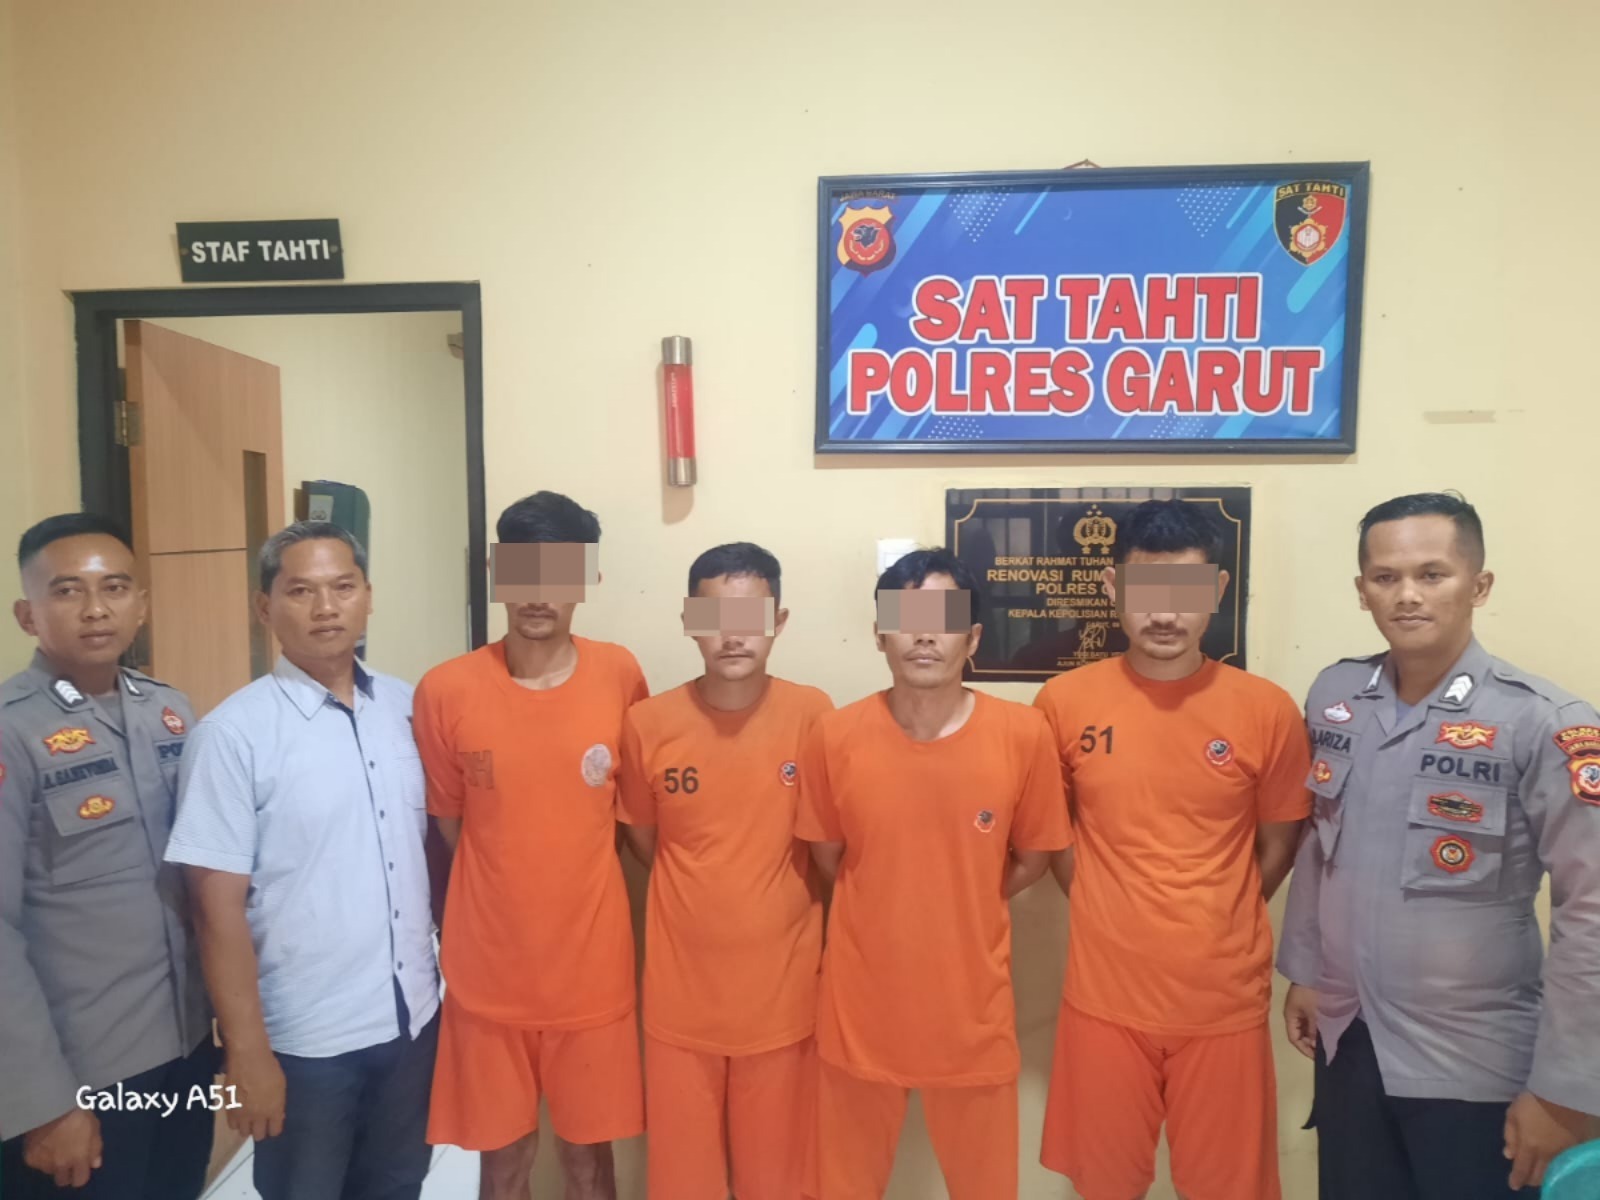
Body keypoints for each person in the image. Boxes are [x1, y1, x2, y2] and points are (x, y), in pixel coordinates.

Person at [1278, 492, 1600, 1198]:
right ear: (1362, 590)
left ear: (1478, 585)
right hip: (1349, 1038)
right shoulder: (1337, 697)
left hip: (1477, 1059)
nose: (1407, 595)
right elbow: (1319, 846)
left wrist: (1568, 1087)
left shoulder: (1541, 720)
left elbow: (1592, 909)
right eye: (1386, 577)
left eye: (1432, 574)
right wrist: (1306, 969)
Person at [1032, 498, 1310, 1200]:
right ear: (1112, 587)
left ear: (1216, 590)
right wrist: (1107, 903)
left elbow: (1280, 841)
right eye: (1146, 591)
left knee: (1226, 1189)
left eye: (1184, 592)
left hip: (1222, 1003)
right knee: (1106, 1185)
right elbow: (1054, 832)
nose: (1164, 614)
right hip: (1104, 999)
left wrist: (1218, 912)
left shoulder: (1267, 710)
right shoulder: (1062, 703)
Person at [164, 521, 440, 1200]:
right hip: (306, 1042)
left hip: (412, 1021)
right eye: (301, 591)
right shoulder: (233, 736)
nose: (325, 608)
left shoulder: (410, 709)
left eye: (343, 587)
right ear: (265, 607)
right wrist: (247, 1051)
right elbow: (214, 910)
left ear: (368, 596)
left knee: (398, 1185)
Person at [796, 548, 1071, 1200]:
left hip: (972, 1019)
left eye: (944, 620)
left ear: (972, 638)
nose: (924, 636)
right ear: (880, 634)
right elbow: (831, 856)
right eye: (907, 619)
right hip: (858, 1015)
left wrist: (964, 893)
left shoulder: (1024, 735)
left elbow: (1033, 857)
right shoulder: (833, 736)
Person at [414, 491, 646, 1200]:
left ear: (586, 579)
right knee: (503, 1163)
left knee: (589, 1162)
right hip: (488, 974)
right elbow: (453, 827)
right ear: (497, 571)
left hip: (592, 971)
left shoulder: (621, 676)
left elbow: (629, 817)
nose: (539, 593)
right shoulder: (445, 691)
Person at [0, 513, 215, 1199]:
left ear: (141, 605)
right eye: (67, 591)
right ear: (27, 614)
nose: (96, 609)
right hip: (79, 1073)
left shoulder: (170, 712)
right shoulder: (12, 732)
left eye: (115, 588)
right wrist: (40, 1102)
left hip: (183, 1052)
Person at [616, 542, 832, 1200]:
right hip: (680, 1006)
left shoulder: (814, 716)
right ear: (690, 621)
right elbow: (647, 842)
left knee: (778, 1184)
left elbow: (830, 847)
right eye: (715, 617)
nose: (733, 635)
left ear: (779, 620)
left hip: (784, 1004)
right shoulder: (648, 724)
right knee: (684, 1185)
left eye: (751, 616)